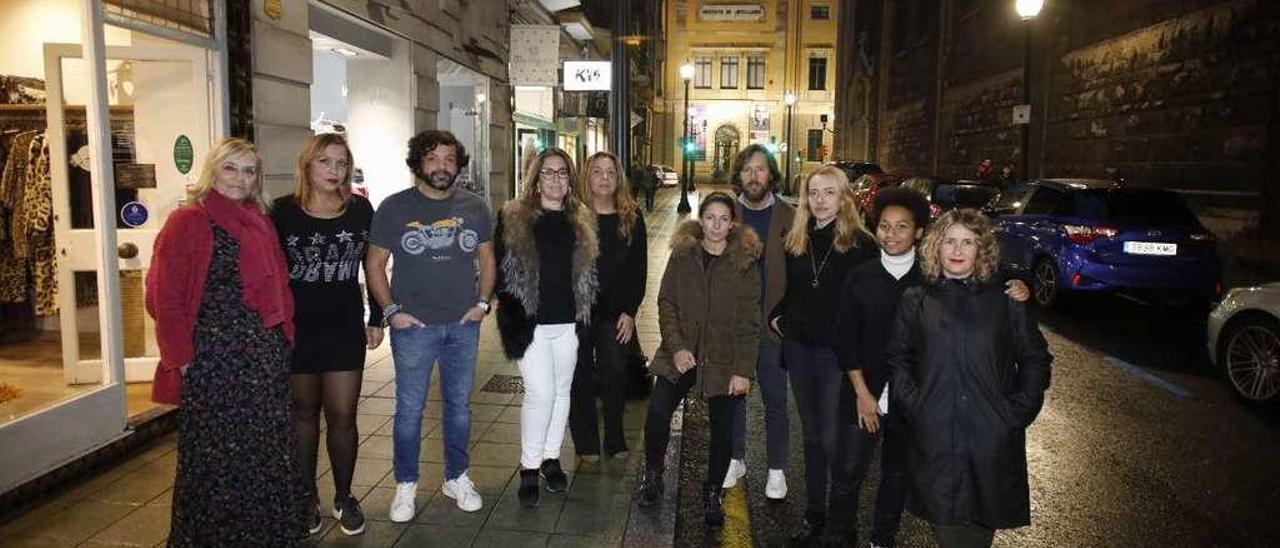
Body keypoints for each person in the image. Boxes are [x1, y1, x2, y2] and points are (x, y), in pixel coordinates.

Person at [835, 189, 1030, 548]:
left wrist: (1019, 287)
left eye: (901, 227)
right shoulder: (862, 276)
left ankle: (883, 539)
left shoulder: (931, 277)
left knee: (897, 475)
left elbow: (985, 282)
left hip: (914, 403)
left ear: (920, 232)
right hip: (867, 392)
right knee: (848, 470)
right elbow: (847, 341)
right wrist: (863, 393)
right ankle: (841, 537)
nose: (891, 234)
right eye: (884, 226)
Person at [147, 137, 302, 545]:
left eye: (248, 170)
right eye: (231, 168)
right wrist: (179, 357)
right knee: (215, 456)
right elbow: (166, 297)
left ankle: (264, 535)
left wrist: (284, 334)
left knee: (265, 450)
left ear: (257, 179)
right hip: (214, 357)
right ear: (212, 171)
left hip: (263, 354)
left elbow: (280, 283)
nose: (239, 178)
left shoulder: (260, 220)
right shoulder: (188, 221)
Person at [887, 209, 1052, 548]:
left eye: (967, 242)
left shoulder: (1006, 300)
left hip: (988, 442)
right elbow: (898, 359)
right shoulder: (916, 300)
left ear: (982, 250)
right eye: (949, 241)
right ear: (936, 247)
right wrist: (918, 407)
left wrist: (1015, 413)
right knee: (949, 530)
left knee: (978, 532)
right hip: (936, 439)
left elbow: (1035, 358)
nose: (957, 250)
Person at [366, 130, 495, 520]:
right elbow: (374, 264)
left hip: (463, 326)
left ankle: (457, 477)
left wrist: (483, 304)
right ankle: (405, 485)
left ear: (459, 165)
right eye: (434, 158)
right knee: (409, 410)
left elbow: (488, 259)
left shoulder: (475, 206)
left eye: (450, 159)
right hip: (413, 329)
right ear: (418, 162)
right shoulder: (394, 207)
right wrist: (391, 312)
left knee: (459, 409)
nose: (442, 166)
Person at [271, 133, 381, 537]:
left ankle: (345, 495)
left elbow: (374, 266)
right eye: (325, 162)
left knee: (342, 415)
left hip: (343, 325)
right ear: (307, 166)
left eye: (340, 163)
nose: (334, 171)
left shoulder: (361, 210)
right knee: (301, 417)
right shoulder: (281, 212)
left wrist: (378, 317)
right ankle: (306, 498)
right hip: (297, 328)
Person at [767, 165, 877, 545]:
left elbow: (871, 305)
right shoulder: (796, 240)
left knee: (833, 440)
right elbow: (796, 292)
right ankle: (815, 516)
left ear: (844, 197)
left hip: (836, 355)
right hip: (800, 350)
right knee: (811, 438)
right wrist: (776, 317)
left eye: (829, 193)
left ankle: (842, 524)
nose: (820, 200)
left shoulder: (862, 245)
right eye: (813, 192)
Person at [636, 191, 760, 530]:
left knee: (723, 427)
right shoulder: (683, 255)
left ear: (732, 222)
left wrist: (742, 371)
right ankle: (653, 474)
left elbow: (750, 321)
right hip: (682, 353)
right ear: (700, 219)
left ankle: (713, 491)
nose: (716, 225)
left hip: (723, 358)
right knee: (659, 411)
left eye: (723, 219)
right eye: (710, 218)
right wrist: (676, 347)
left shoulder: (744, 262)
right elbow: (666, 302)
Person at [494, 147, 599, 508]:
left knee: (562, 390)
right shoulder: (514, 217)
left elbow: (590, 274)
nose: (556, 179)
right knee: (540, 393)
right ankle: (529, 466)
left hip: (569, 322)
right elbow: (501, 271)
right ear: (536, 179)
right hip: (532, 323)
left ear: (570, 181)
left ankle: (551, 458)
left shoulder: (582, 219)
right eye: (549, 173)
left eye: (562, 173)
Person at [725, 144, 795, 500]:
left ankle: (777, 469)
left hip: (772, 326)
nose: (754, 176)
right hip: (736, 325)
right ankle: (735, 458)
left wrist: (786, 317)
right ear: (739, 176)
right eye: (748, 170)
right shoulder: (726, 215)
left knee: (775, 399)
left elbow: (800, 274)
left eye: (761, 169)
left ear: (772, 175)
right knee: (734, 394)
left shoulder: (792, 217)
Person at [569, 151, 647, 463]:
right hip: (577, 311)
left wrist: (630, 311)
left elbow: (638, 270)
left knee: (615, 373)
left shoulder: (631, 218)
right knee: (580, 374)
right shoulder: (573, 216)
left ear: (618, 179)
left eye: (610, 172)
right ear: (587, 177)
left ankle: (614, 437)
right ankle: (585, 440)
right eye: (597, 172)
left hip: (615, 312)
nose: (604, 178)